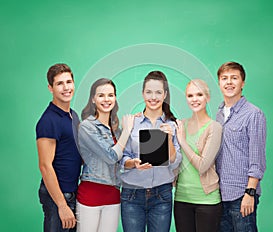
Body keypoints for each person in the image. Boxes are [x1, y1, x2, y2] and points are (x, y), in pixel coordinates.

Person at [120, 71, 182, 232]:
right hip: (132, 194)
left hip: (162, 194)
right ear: (142, 93)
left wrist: (169, 138)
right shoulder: (132, 123)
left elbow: (175, 161)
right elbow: (122, 157)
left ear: (165, 95)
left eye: (158, 92)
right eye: (149, 92)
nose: (153, 97)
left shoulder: (173, 125)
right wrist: (133, 163)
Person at [76, 78, 135, 232]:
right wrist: (127, 131)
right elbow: (111, 156)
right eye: (101, 95)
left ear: (115, 98)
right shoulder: (87, 126)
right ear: (93, 99)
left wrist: (133, 162)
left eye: (110, 95)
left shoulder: (115, 129)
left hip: (113, 195)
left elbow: (122, 159)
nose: (106, 99)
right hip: (91, 194)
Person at [215, 62, 267, 232]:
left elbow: (257, 157)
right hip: (220, 195)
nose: (229, 82)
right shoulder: (219, 114)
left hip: (241, 195)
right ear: (219, 83)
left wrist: (250, 193)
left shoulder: (253, 114)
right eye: (225, 78)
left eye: (234, 78)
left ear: (242, 83)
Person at [36, 63, 82, 231]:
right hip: (57, 197)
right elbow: (45, 166)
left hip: (72, 193)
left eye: (68, 82)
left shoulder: (73, 116)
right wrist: (62, 205)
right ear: (51, 88)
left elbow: (78, 153)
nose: (66, 88)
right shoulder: (49, 120)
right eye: (59, 83)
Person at [174, 79, 223, 232]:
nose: (194, 99)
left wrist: (182, 141)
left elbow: (203, 166)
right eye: (190, 95)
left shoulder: (214, 127)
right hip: (181, 199)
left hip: (207, 201)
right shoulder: (181, 124)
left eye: (199, 94)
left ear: (207, 98)